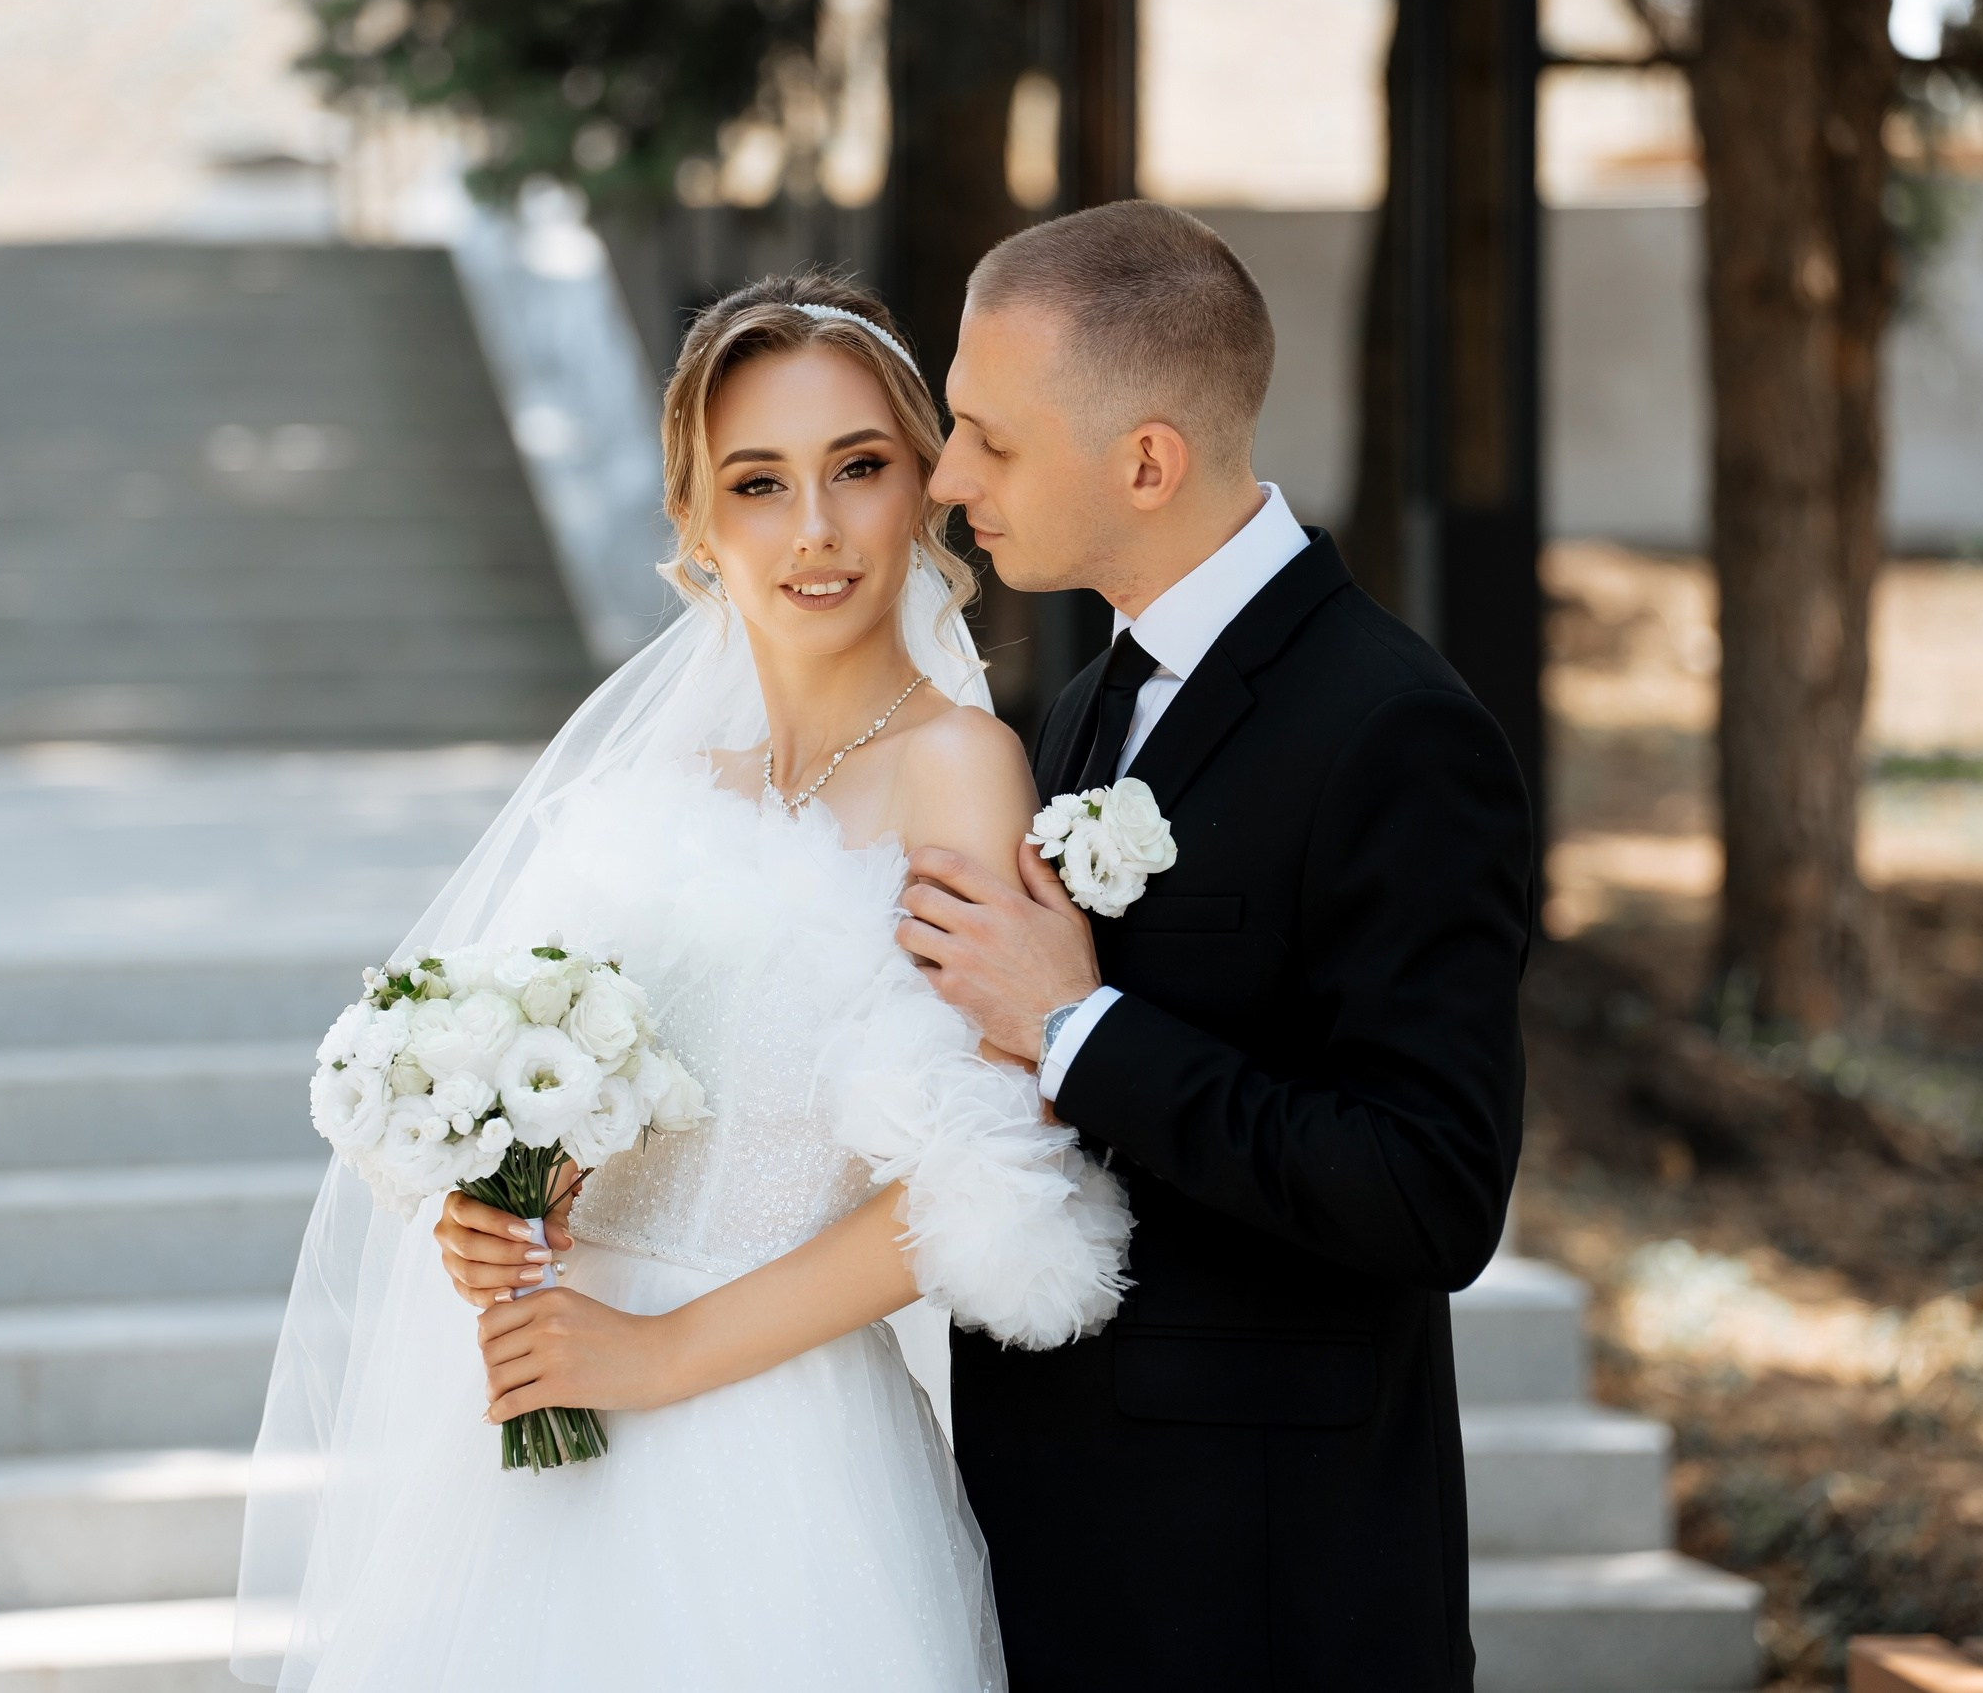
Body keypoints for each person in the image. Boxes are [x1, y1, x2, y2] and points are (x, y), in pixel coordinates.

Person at [232, 273, 1131, 1693]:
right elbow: (563, 1116)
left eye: (860, 469)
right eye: (759, 484)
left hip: (764, 1451)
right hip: (540, 1435)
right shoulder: (648, 788)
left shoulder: (959, 769)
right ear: (695, 523)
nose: (817, 531)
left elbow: (990, 1165)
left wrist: (660, 1356)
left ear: (925, 488)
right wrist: (493, 1209)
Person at [899, 200, 1536, 1689]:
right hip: (1059, 1541)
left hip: (1262, 1586)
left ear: (1145, 461)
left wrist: (1081, 1029)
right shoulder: (1085, 702)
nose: (945, 477)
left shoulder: (1398, 734)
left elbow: (1432, 1194)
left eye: (990, 438)